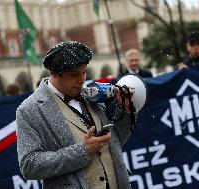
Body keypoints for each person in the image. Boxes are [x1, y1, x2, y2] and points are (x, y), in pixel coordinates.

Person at [16, 41, 134, 189]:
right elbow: (29, 165)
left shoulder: (93, 94)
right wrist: (82, 150)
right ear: (53, 73)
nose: (82, 80)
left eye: (84, 73)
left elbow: (115, 142)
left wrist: (125, 109)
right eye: (74, 75)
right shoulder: (29, 110)